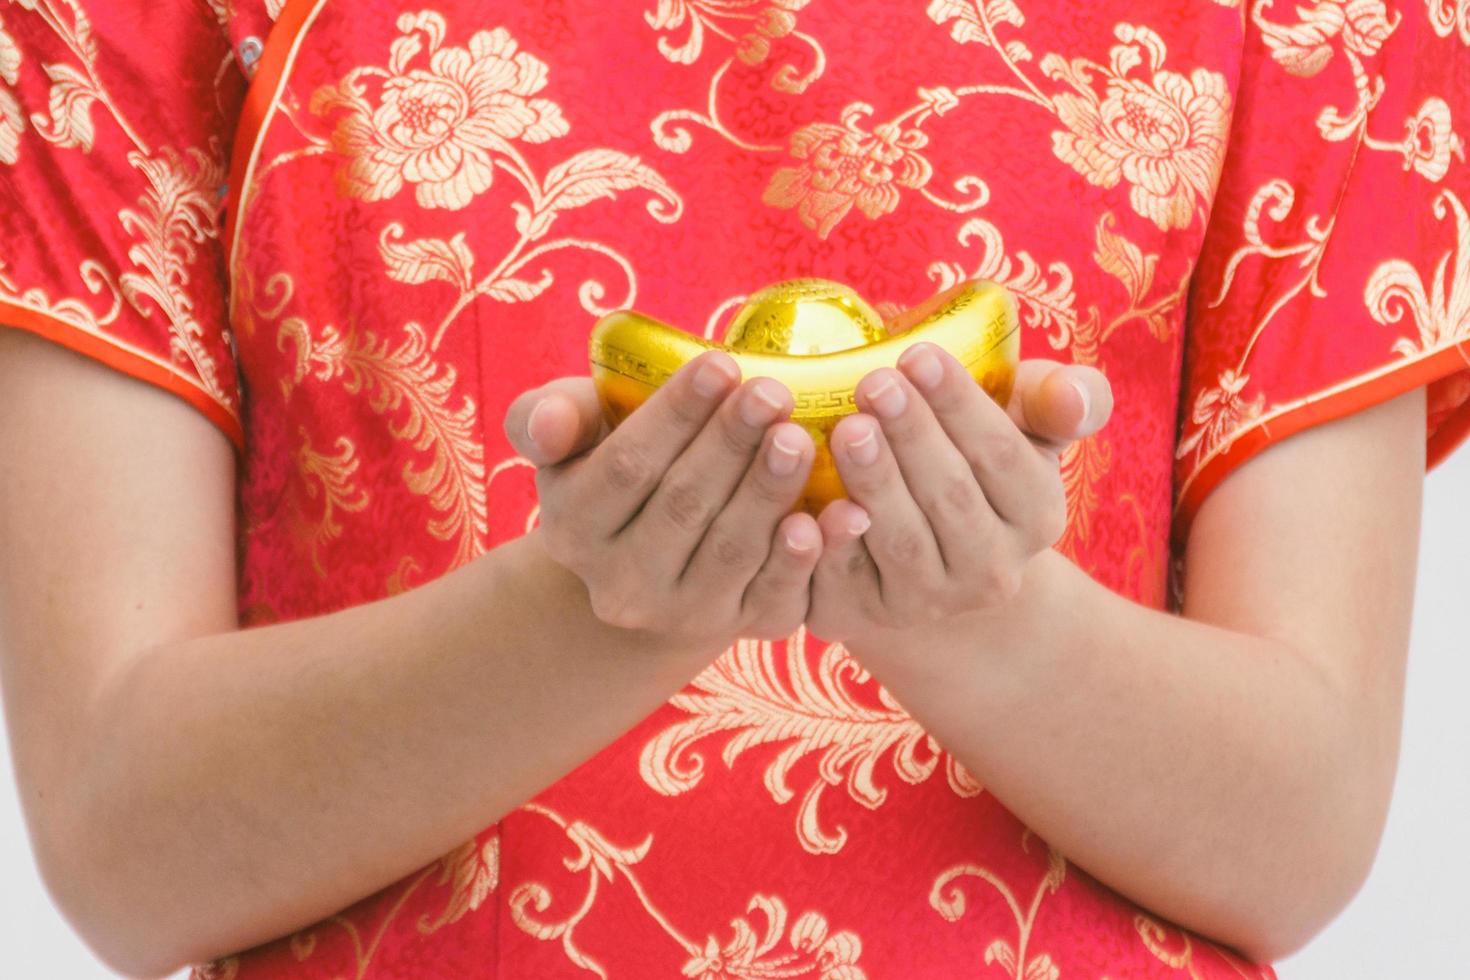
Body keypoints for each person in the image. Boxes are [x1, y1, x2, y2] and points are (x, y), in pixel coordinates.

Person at [0, 1, 1466, 977]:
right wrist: (585, 609)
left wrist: (975, 617)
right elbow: (122, 841)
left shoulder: (1315, 20)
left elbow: (1301, 829)